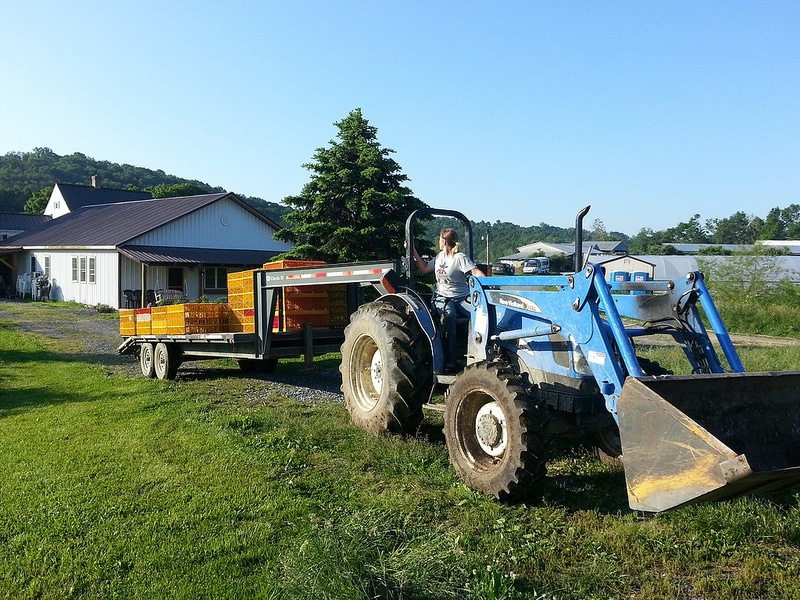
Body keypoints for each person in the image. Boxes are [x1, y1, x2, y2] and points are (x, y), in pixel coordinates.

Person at [413, 228, 486, 373]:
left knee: (480, 313)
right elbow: (425, 268)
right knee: (449, 316)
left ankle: (479, 354)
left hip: (462, 297)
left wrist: (486, 280)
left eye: (440, 239)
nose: (439, 242)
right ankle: (451, 361)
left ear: (444, 241)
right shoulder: (439, 257)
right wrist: (413, 250)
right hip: (443, 297)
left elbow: (475, 271)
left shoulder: (459, 258)